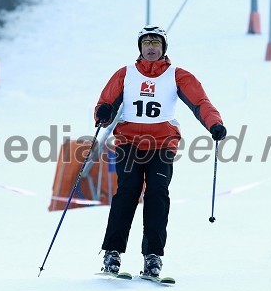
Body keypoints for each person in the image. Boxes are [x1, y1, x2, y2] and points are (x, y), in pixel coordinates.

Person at [94, 25, 226, 277]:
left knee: (157, 195)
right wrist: (102, 113)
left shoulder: (177, 75)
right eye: (146, 43)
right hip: (128, 142)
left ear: (163, 48)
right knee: (127, 192)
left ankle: (152, 257)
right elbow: (105, 103)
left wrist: (214, 124)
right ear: (140, 48)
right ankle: (112, 254)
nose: (151, 47)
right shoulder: (126, 73)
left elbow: (200, 102)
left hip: (162, 144)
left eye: (156, 43)